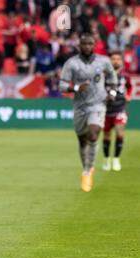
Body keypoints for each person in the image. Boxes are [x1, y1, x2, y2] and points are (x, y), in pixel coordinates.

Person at [59, 33, 117, 192]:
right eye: (84, 44)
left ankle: (88, 170)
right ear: (79, 45)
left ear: (94, 45)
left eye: (90, 44)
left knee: (93, 134)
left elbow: (113, 77)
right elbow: (62, 85)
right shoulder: (71, 63)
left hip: (98, 104)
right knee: (82, 140)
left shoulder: (103, 61)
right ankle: (86, 167)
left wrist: (111, 93)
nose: (87, 47)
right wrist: (76, 88)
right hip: (79, 106)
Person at [102, 50, 132, 172]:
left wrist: (128, 95)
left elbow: (129, 86)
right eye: (113, 59)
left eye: (118, 59)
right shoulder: (103, 75)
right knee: (107, 135)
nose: (116, 61)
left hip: (120, 108)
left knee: (120, 133)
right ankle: (106, 160)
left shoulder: (125, 76)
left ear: (121, 61)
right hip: (106, 110)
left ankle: (116, 159)